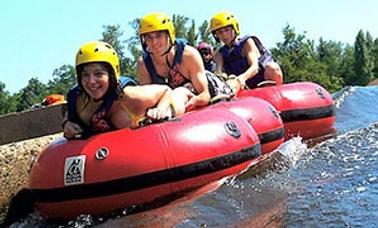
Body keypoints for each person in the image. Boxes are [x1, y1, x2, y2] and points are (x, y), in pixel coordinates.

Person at [62, 41, 184, 139]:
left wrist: (161, 109)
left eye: (99, 74)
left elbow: (166, 91)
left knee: (178, 97)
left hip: (150, 111)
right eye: (85, 75)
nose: (91, 81)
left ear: (111, 75)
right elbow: (67, 112)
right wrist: (66, 123)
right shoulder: (77, 98)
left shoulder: (130, 96)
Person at [137, 12, 233, 112]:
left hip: (206, 89)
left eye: (158, 35)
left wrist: (193, 102)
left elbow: (204, 95)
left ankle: (167, 112)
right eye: (149, 37)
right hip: (166, 103)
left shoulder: (189, 55)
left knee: (181, 91)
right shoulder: (143, 64)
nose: (154, 42)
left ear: (169, 35)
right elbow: (148, 101)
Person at [210, 11, 283, 91]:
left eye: (227, 30)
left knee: (272, 67)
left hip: (262, 82)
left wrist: (240, 79)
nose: (224, 35)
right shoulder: (219, 54)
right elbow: (218, 73)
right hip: (242, 88)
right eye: (220, 32)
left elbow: (254, 68)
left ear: (234, 28)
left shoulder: (247, 42)